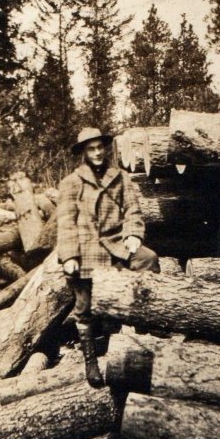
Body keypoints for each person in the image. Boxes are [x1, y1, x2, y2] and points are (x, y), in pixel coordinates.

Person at [57, 127, 160, 388]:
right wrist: (69, 255)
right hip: (86, 247)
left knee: (148, 259)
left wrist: (134, 234)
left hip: (117, 244)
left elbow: (133, 211)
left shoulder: (121, 177)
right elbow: (66, 223)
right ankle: (90, 363)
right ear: (83, 153)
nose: (97, 153)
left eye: (100, 147)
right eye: (90, 149)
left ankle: (144, 329)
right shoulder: (71, 182)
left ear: (107, 148)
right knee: (85, 306)